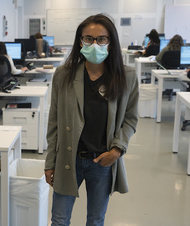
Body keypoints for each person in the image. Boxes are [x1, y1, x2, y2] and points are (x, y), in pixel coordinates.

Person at [44, 14, 139, 226]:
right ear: (80, 41)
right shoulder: (63, 75)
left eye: (101, 39)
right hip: (69, 159)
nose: (94, 44)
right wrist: (50, 162)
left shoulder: (127, 76)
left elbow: (131, 119)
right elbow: (54, 124)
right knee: (59, 220)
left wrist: (116, 151)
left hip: (102, 161)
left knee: (95, 221)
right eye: (88, 38)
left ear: (111, 42)